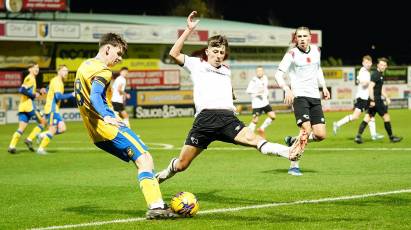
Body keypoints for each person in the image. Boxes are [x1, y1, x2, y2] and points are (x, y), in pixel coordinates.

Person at [155, 11, 306, 185]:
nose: (219, 55)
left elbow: (228, 90)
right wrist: (188, 30)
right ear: (207, 51)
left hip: (227, 119)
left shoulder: (226, 70)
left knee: (254, 139)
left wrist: (230, 95)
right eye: (215, 51)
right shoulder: (196, 64)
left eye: (222, 52)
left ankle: (288, 152)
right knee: (182, 164)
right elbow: (174, 54)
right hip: (205, 120)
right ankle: (162, 175)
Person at [74, 32, 177, 219]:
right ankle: (156, 207)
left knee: (141, 159)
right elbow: (96, 95)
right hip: (108, 127)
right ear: (107, 48)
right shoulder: (103, 71)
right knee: (145, 158)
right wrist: (106, 115)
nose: (119, 59)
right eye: (118, 53)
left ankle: (157, 204)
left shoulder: (85, 66)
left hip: (95, 133)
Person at [274, 26, 329, 176]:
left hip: (314, 97)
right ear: (296, 39)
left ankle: (293, 141)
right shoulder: (291, 54)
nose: (302, 39)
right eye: (299, 36)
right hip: (299, 96)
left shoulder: (316, 50)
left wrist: (323, 86)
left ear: (310, 37)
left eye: (305, 36)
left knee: (320, 135)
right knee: (306, 130)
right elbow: (278, 74)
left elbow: (318, 69)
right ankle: (294, 166)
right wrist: (287, 88)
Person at [333, 55, 384, 140]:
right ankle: (337, 124)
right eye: (365, 62)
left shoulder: (367, 72)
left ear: (371, 63)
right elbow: (363, 83)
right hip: (362, 98)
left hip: (366, 98)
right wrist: (371, 81)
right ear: (363, 63)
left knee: (370, 114)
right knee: (356, 116)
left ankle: (374, 134)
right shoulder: (362, 71)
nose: (367, 64)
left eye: (369, 62)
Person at [354, 57, 402, 144]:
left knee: (367, 117)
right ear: (378, 65)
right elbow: (370, 87)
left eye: (384, 65)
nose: (383, 66)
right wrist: (372, 100)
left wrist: (386, 97)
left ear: (386, 66)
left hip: (375, 100)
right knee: (386, 117)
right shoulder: (376, 75)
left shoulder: (380, 75)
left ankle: (358, 136)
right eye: (381, 65)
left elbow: (380, 89)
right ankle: (391, 138)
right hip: (376, 100)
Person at [8, 62, 46, 154]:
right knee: (43, 122)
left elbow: (29, 90)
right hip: (29, 106)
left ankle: (12, 146)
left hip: (22, 106)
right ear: (30, 69)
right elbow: (22, 90)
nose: (37, 69)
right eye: (34, 67)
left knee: (21, 128)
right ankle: (29, 139)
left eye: (38, 67)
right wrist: (33, 95)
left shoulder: (32, 78)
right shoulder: (30, 78)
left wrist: (38, 91)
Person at [36, 65, 75, 155]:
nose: (66, 72)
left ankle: (41, 135)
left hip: (54, 109)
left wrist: (44, 90)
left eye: (67, 71)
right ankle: (41, 149)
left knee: (62, 129)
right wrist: (71, 94)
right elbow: (58, 96)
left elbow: (49, 89)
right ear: (59, 71)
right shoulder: (57, 81)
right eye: (64, 70)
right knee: (53, 129)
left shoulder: (56, 81)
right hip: (51, 109)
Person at [246, 66, 276, 138]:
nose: (259, 72)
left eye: (261, 71)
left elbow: (265, 88)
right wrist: (257, 92)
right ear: (256, 73)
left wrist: (266, 94)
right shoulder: (253, 80)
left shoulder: (265, 78)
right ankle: (248, 134)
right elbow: (248, 90)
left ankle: (261, 128)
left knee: (273, 116)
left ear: (263, 72)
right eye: (258, 71)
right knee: (255, 120)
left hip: (265, 103)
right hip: (257, 104)